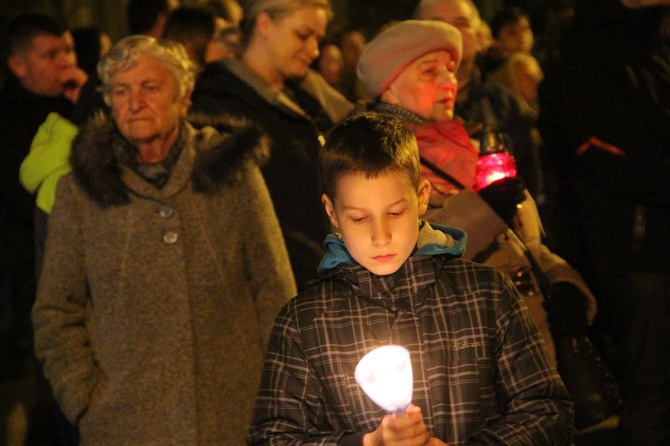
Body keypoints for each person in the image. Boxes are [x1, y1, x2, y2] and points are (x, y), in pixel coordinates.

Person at [248, 112, 575, 446]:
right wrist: (368, 444)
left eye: (394, 212)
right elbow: (272, 439)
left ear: (421, 197)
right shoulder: (305, 323)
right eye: (360, 218)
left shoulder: (485, 294)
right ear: (332, 213)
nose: (381, 236)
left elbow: (549, 413)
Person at [31, 35, 296, 444]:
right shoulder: (80, 191)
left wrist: (273, 393)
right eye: (121, 91)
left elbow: (273, 289)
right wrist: (83, 400)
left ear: (184, 98)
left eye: (150, 88)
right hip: (122, 423)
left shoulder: (232, 174)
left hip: (233, 417)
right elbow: (56, 310)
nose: (135, 103)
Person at [356, 18, 597, 369]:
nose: (448, 82)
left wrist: (564, 280)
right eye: (429, 72)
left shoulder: (471, 143)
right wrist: (484, 208)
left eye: (450, 71)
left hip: (527, 333)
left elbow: (523, 242)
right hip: (467, 351)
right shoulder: (377, 160)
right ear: (389, 88)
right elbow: (402, 255)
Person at [539, 0, 670, 444]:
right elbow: (604, 154)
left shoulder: (653, 49)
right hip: (636, 251)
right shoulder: (588, 56)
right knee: (653, 385)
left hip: (650, 240)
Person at [191, 0, 354, 289]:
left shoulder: (304, 97)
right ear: (264, 24)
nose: (314, 51)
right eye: (303, 35)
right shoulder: (221, 109)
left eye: (318, 39)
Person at [0, 12, 88, 444]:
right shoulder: (12, 126)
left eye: (68, 50)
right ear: (18, 65)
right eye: (50, 54)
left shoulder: (73, 106)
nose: (64, 62)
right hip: (24, 286)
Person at [414, 0, 545, 207]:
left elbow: (532, 184)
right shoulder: (402, 106)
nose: (451, 32)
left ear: (478, 35)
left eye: (462, 23)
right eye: (437, 23)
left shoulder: (504, 103)